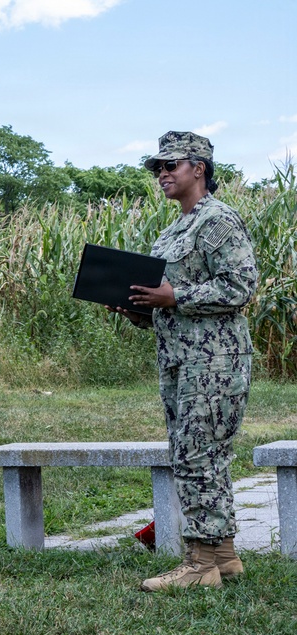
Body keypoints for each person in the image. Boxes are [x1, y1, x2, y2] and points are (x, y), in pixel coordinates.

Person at [111, 131, 257, 592]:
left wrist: (177, 296)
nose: (162, 174)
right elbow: (167, 305)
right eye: (158, 167)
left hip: (215, 360)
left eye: (170, 165)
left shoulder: (217, 221)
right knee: (197, 454)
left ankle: (199, 563)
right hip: (181, 360)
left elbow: (241, 285)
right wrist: (140, 306)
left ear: (200, 167)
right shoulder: (174, 231)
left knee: (197, 455)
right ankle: (225, 555)